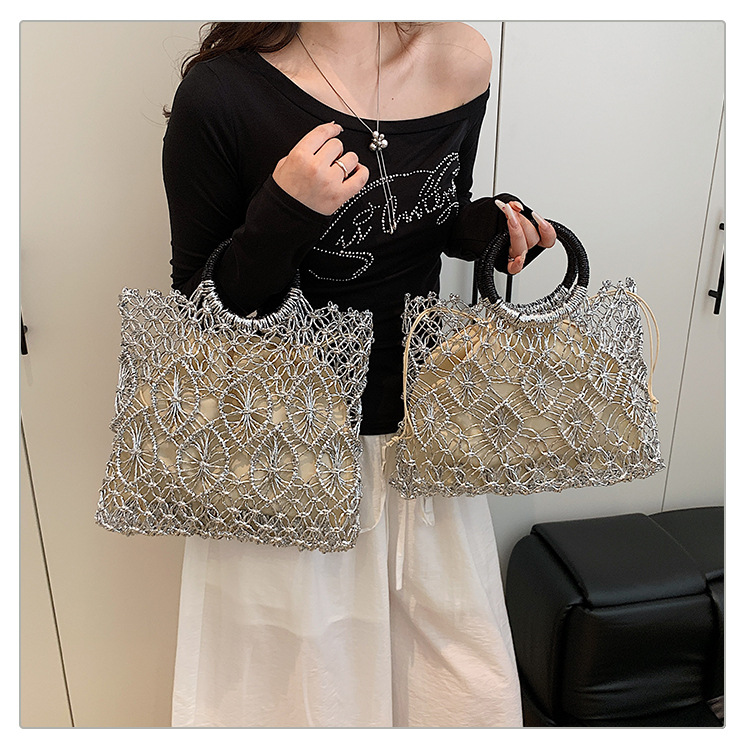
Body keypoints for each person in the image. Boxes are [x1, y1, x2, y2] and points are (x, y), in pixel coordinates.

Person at [162, 20, 556, 728]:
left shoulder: (460, 58)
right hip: (286, 458)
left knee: (462, 701)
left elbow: (425, 220)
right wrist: (285, 210)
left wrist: (487, 229)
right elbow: (203, 309)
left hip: (421, 450)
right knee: (303, 708)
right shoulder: (222, 93)